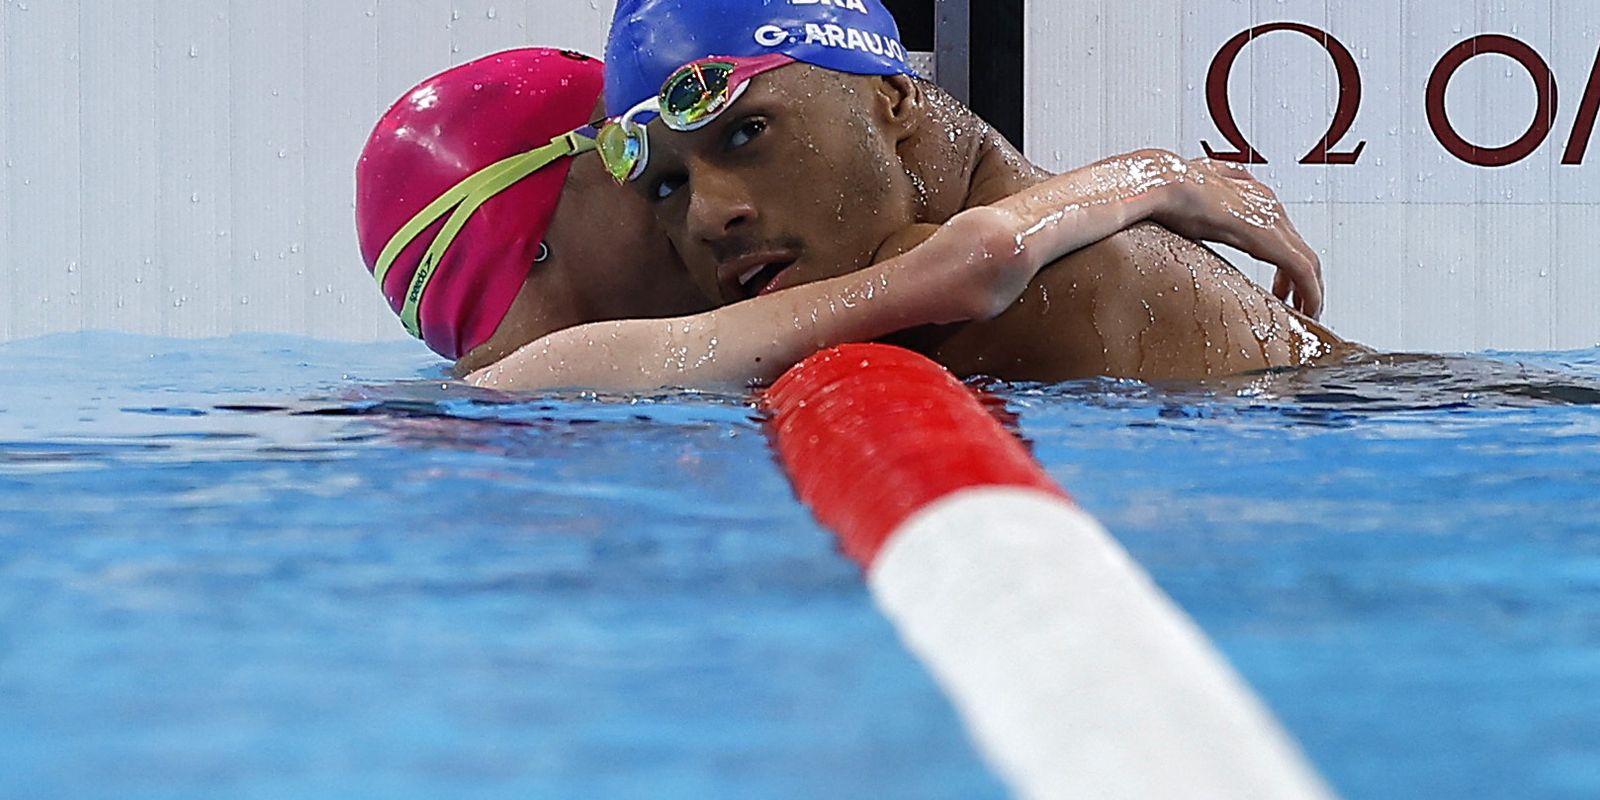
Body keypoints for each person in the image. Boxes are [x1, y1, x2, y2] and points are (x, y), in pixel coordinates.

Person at [356, 48, 1329, 391]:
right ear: (539, 240)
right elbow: (964, 263)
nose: (703, 209)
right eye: (642, 164)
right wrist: (1151, 176)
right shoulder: (556, 378)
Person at [601, 0, 1362, 382]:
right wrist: (1156, 175)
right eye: (666, 184)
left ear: (894, 99)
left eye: (746, 134)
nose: (707, 216)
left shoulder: (1035, 284)